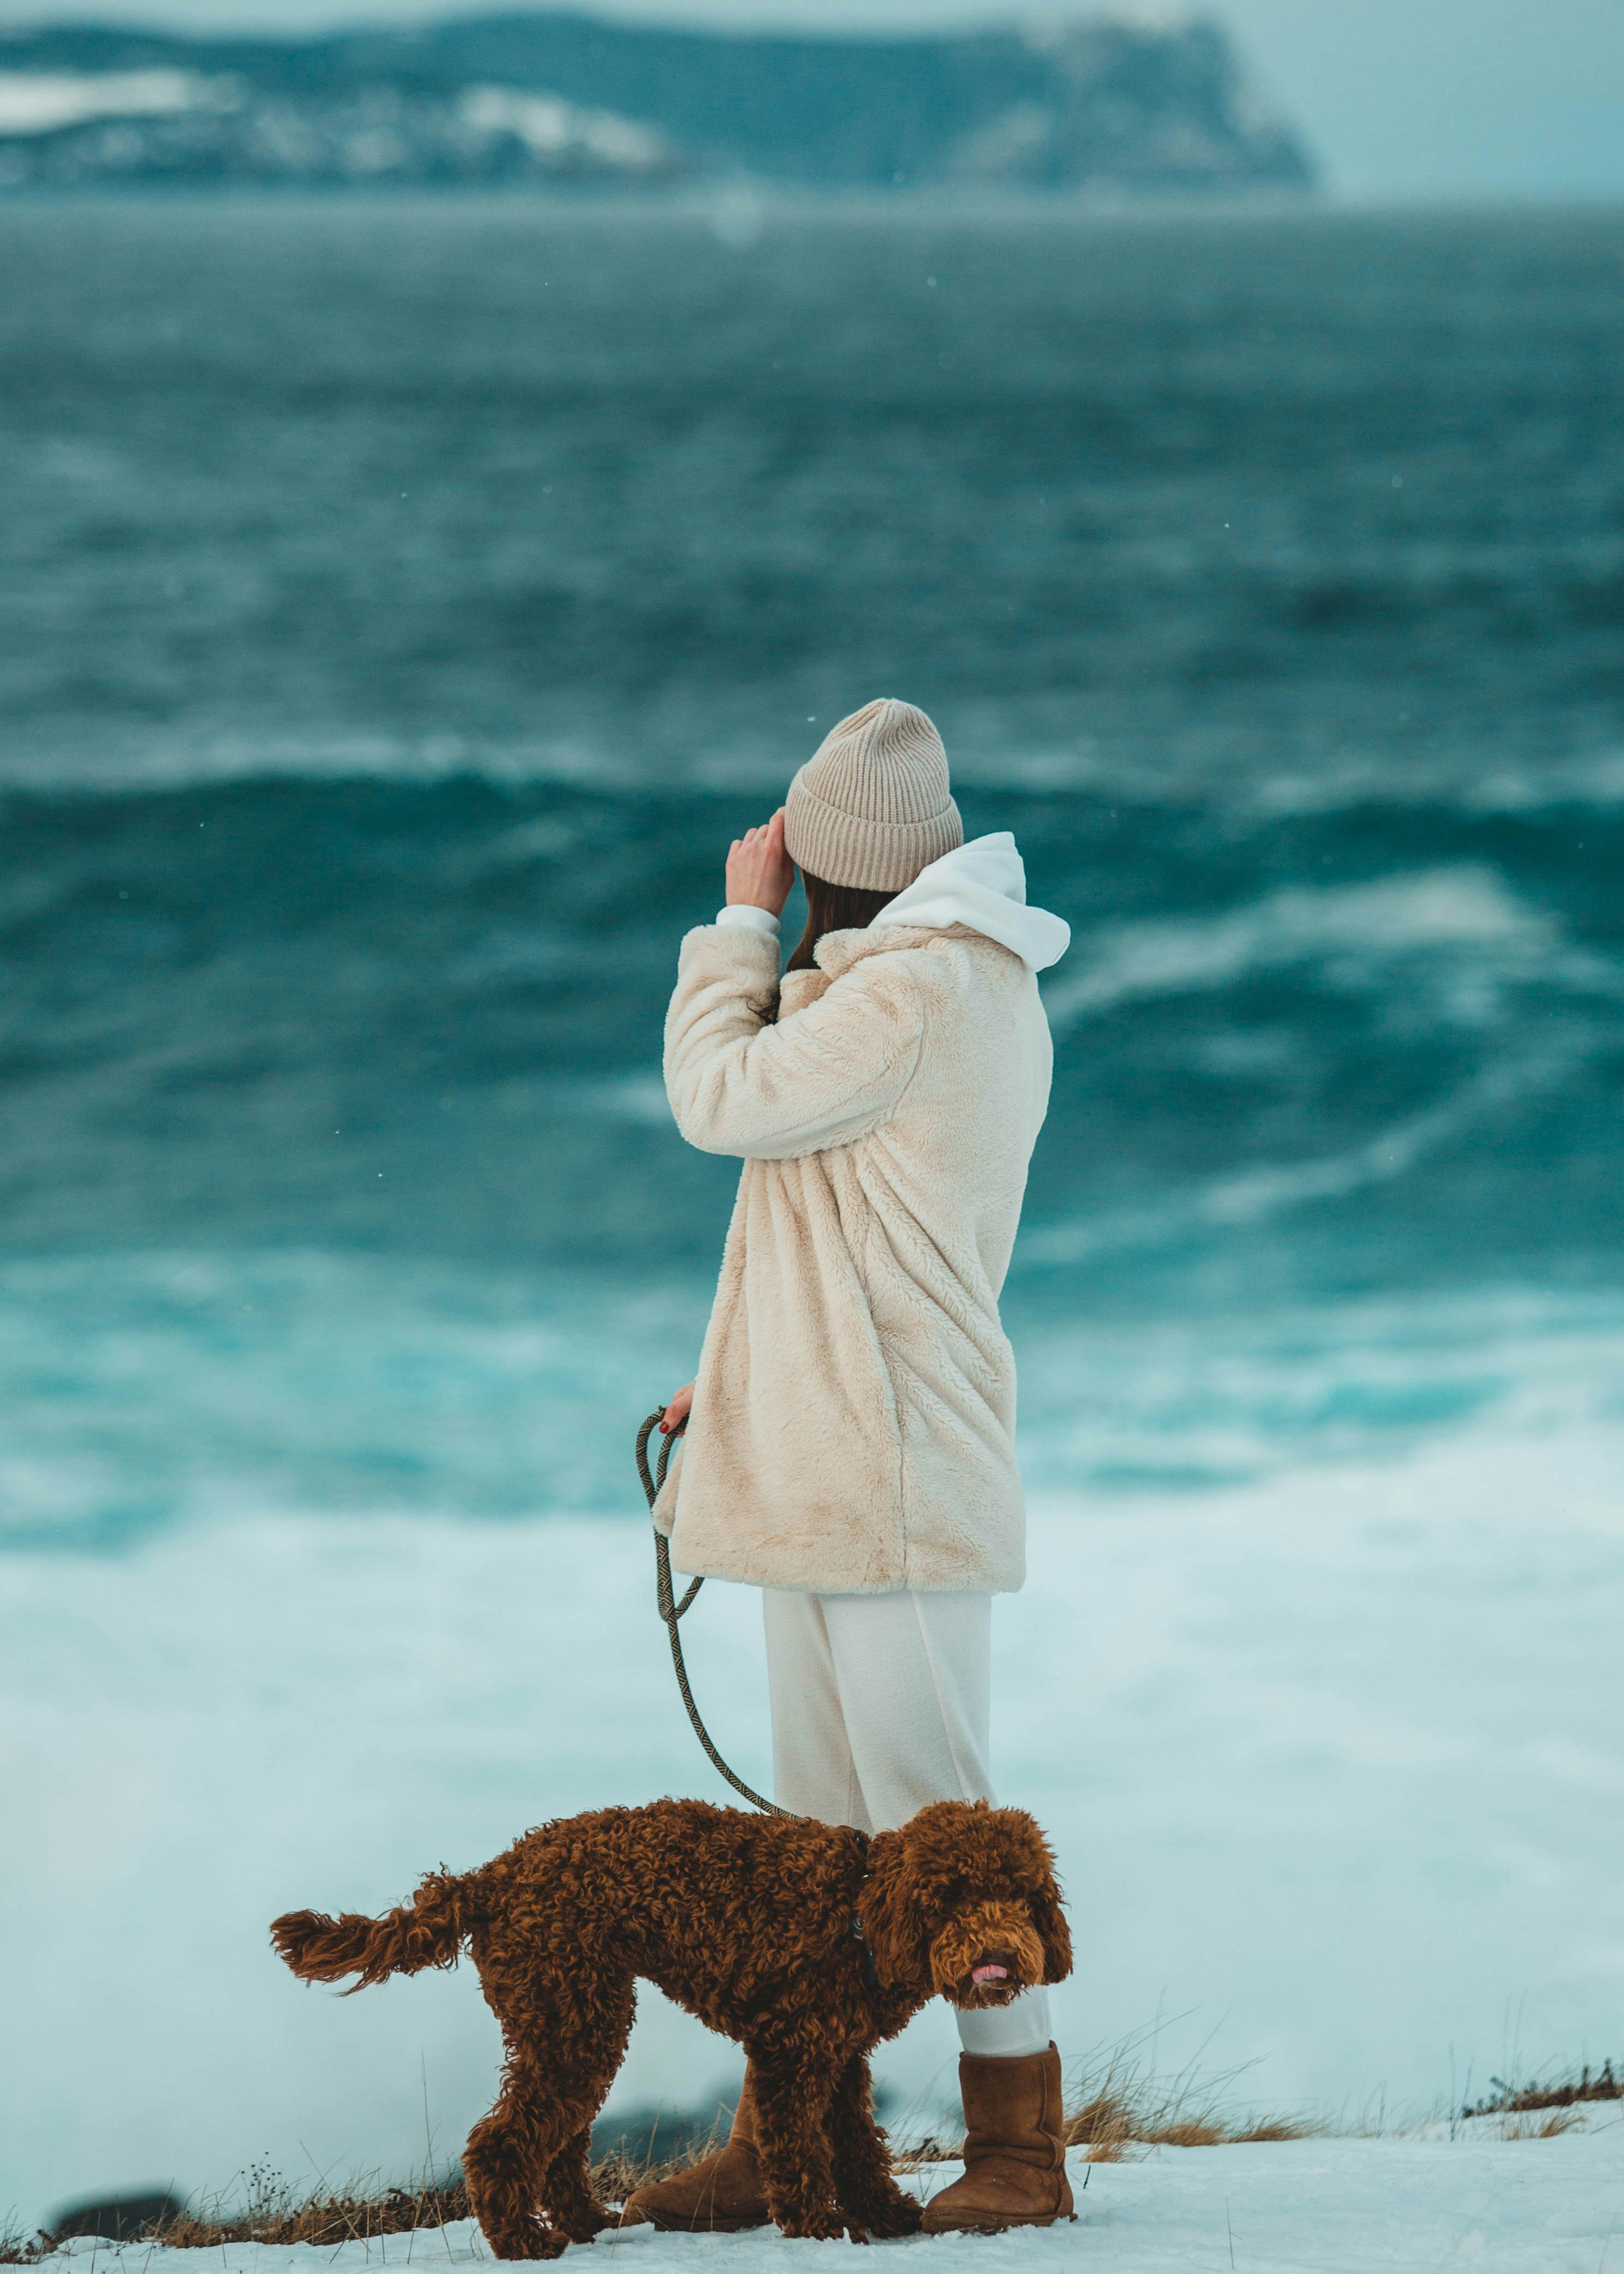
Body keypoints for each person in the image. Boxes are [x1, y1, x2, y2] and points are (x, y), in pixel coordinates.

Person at [624, 699, 1072, 2236]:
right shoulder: (919, 989)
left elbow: (717, 1103)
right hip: (842, 1454)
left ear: (834, 872)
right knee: (821, 1854)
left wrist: (737, 930)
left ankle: (1020, 2148)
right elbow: (839, 1218)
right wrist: (737, 1374)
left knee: (946, 1831)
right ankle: (794, 2139)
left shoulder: (923, 996)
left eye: (802, 862)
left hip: (892, 1474)